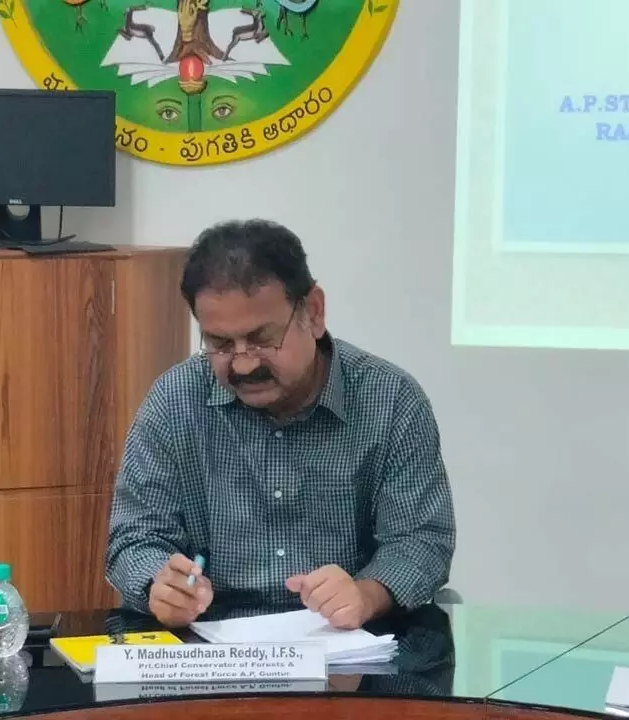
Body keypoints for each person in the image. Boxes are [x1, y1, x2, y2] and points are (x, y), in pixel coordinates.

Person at [105, 219, 456, 630]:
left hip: (349, 650)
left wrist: (366, 594)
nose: (244, 363)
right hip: (211, 652)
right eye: (219, 344)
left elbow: (421, 541)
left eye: (261, 338)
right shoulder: (175, 401)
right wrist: (160, 586)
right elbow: (134, 540)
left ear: (314, 311)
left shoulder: (391, 399)